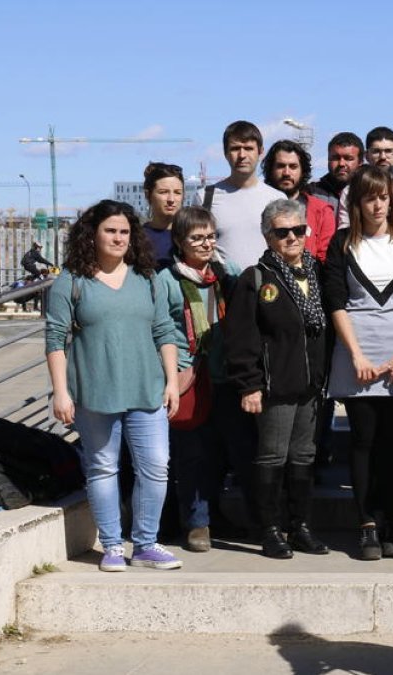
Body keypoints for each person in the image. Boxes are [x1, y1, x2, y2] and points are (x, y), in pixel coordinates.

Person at [45, 199, 183, 572]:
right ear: (93, 234)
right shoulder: (70, 281)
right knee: (103, 467)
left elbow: (164, 331)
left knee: (155, 466)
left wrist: (172, 382)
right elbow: (55, 339)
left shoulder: (147, 278)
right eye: (111, 230)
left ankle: (146, 544)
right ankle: (111, 546)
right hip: (94, 391)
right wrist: (61, 391)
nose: (119, 237)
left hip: (147, 389)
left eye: (124, 231)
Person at [323, 165, 393, 561]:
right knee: (364, 440)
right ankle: (367, 521)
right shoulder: (341, 244)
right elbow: (335, 299)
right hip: (359, 353)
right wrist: (356, 355)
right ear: (357, 203)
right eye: (370, 197)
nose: (379, 204)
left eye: (384, 196)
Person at [223, 199, 329, 559]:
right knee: (272, 457)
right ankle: (269, 529)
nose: (292, 238)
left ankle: (300, 526)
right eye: (282, 232)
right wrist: (249, 384)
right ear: (268, 236)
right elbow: (241, 338)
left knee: (304, 455)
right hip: (274, 386)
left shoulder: (318, 273)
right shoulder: (256, 279)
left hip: (311, 386)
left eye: (298, 230)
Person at [158, 206, 241, 552]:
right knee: (191, 453)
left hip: (223, 372)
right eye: (197, 238)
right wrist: (169, 376)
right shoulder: (166, 280)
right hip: (188, 375)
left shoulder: (225, 270)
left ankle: (214, 512)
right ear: (179, 241)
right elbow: (160, 329)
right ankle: (196, 523)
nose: (206, 244)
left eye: (210, 236)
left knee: (222, 450)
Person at [206, 121, 286, 268]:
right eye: (235, 148)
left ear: (260, 152)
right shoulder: (206, 198)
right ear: (225, 153)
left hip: (268, 287)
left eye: (248, 148)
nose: (242, 155)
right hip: (223, 287)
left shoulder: (277, 199)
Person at [262, 139, 336, 261]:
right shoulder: (258, 205)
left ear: (302, 171)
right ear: (271, 169)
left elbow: (325, 258)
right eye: (280, 166)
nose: (286, 173)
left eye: (293, 166)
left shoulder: (321, 211)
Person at [308, 132, 364, 217]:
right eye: (335, 158)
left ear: (360, 162)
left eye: (348, 158)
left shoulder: (368, 192)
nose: (341, 163)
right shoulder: (311, 192)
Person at [141, 162, 185, 269]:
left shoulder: (190, 236)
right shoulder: (138, 237)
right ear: (148, 195)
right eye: (163, 192)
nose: (171, 199)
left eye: (177, 193)